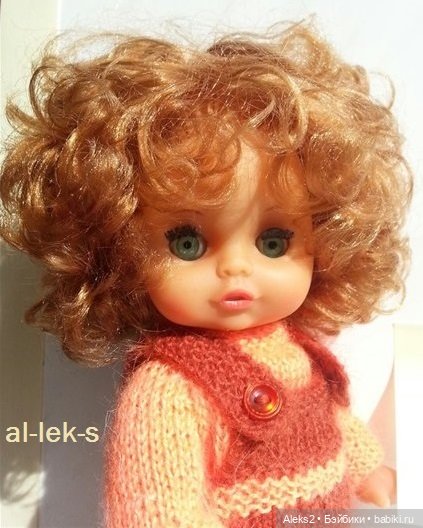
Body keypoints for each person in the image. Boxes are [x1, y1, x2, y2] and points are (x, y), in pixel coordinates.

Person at [0, 21, 411, 526]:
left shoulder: (296, 349)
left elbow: (330, 420)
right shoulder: (168, 392)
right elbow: (156, 510)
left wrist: (369, 469)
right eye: (187, 243)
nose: (236, 267)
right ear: (122, 252)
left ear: (325, 238)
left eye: (273, 242)